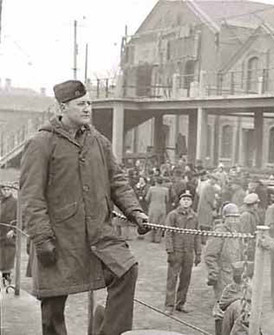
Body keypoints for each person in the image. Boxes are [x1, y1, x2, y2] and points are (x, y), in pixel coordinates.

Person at [20, 80, 149, 335]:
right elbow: (31, 196)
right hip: (58, 238)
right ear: (62, 107)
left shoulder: (98, 141)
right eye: (81, 104)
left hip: (97, 236)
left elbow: (117, 180)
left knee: (126, 270)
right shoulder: (41, 143)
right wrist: (42, 238)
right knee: (53, 311)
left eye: (89, 103)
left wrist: (135, 211)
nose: (88, 108)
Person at [204, 203, 245, 335]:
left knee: (235, 308)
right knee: (221, 310)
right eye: (231, 217)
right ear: (224, 218)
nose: (234, 220)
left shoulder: (237, 233)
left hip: (235, 278)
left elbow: (240, 254)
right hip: (222, 277)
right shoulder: (219, 232)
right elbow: (210, 256)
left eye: (236, 217)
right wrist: (214, 274)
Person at [164, 190, 202, 315]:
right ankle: (169, 305)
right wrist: (170, 250)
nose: (186, 201)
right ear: (180, 201)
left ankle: (180, 304)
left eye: (188, 199)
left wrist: (198, 253)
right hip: (176, 251)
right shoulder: (173, 215)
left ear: (191, 202)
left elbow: (197, 236)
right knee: (172, 279)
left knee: (185, 279)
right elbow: (168, 233)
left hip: (188, 252)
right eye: (184, 199)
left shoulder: (194, 216)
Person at [0, 185, 17, 286]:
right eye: (4, 189)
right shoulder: (1, 201)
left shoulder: (15, 203)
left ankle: (7, 281)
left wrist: (13, 230)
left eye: (8, 189)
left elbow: (21, 218)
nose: (6, 191)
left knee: (7, 259)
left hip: (8, 236)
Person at [145, 176, 170, 243]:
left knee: (152, 222)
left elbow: (147, 198)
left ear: (156, 182)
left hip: (153, 207)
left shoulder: (151, 189)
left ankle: (151, 237)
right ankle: (158, 238)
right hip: (162, 207)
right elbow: (167, 200)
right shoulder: (166, 190)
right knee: (160, 223)